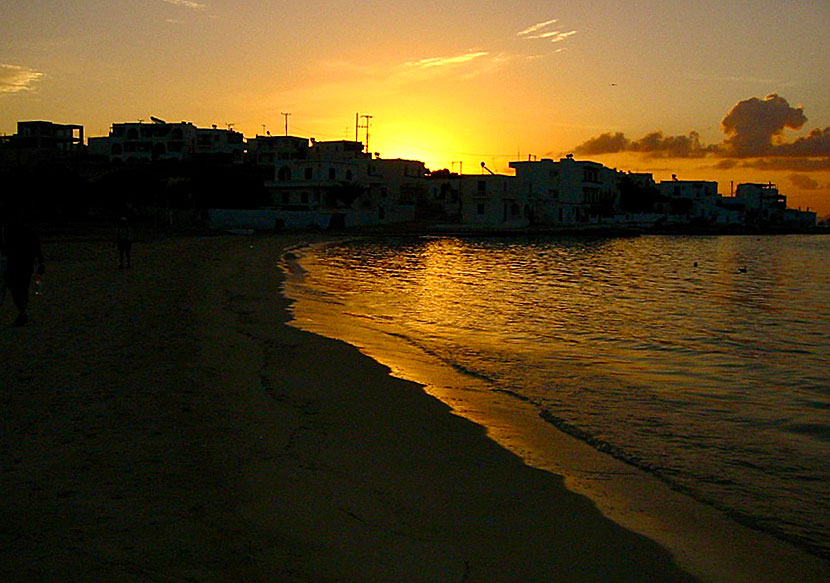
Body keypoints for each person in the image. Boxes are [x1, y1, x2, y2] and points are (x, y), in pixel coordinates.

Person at [1, 212, 45, 326]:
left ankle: (22, 311)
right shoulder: (10, 230)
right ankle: (22, 311)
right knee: (18, 289)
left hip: (21, 264)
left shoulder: (12, 231)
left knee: (18, 289)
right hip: (19, 264)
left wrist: (41, 263)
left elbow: (36, 248)